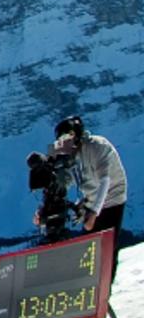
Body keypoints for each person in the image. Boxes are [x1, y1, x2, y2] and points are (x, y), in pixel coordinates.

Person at [55, 116, 129, 283]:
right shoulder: (72, 154)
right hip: (93, 198)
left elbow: (105, 181)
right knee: (89, 248)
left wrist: (94, 213)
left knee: (107, 249)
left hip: (112, 198)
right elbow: (69, 180)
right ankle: (90, 287)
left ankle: (104, 289)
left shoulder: (97, 146)